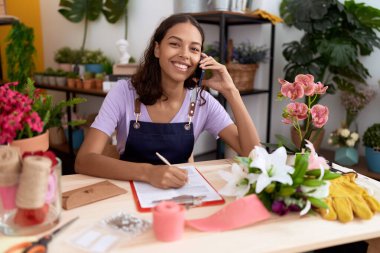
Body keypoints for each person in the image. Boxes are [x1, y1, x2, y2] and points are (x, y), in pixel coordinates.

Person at [75, 13, 260, 189]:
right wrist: (148, 172)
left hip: (179, 195)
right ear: (157, 49)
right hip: (127, 194)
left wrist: (232, 92)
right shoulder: (124, 93)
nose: (185, 54)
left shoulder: (202, 101)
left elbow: (254, 155)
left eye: (194, 49)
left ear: (200, 59)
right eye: (175, 44)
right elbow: (84, 160)